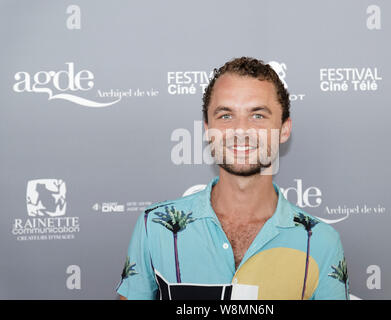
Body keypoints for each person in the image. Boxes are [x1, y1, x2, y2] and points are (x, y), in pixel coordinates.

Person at [117, 57, 349, 300]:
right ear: (207, 129)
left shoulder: (321, 242)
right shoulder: (155, 227)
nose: (241, 130)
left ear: (284, 130)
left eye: (257, 115)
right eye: (226, 115)